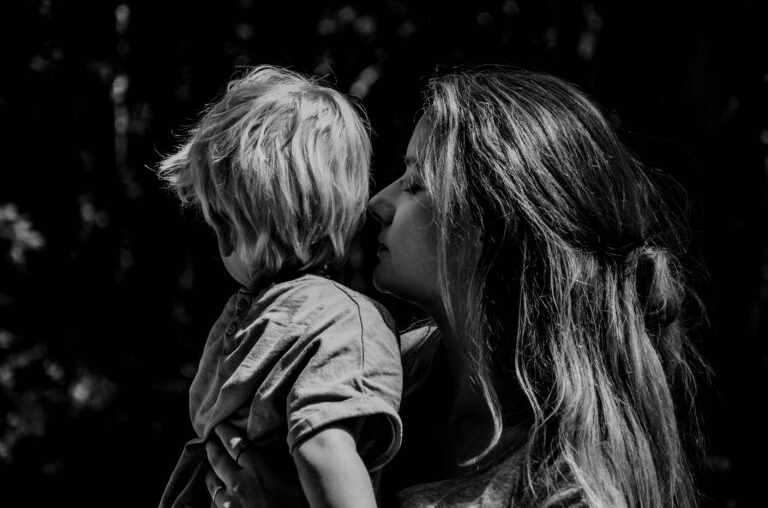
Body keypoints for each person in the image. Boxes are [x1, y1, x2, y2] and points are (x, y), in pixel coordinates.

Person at [204, 66, 705, 508]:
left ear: (494, 225)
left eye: (417, 183)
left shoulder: (570, 488)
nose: (377, 202)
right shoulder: (371, 372)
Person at [155, 65, 404, 508]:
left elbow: (322, 448)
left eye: (219, 220)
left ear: (230, 230)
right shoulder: (314, 316)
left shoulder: (335, 322)